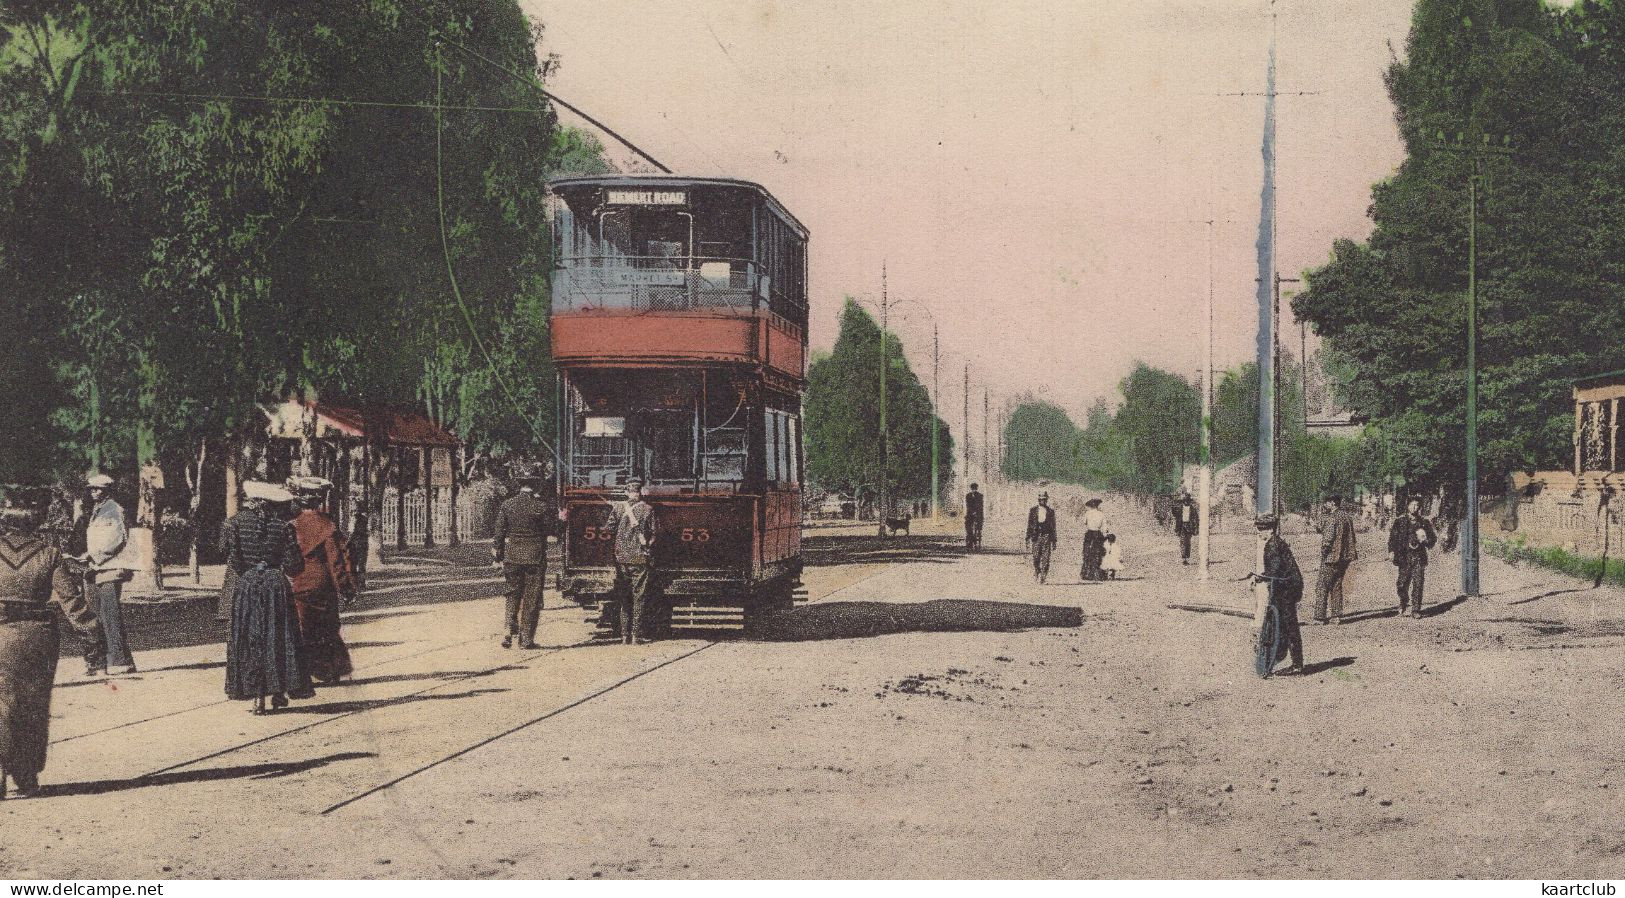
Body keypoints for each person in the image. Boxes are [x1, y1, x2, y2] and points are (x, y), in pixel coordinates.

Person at [0, 485, 105, 799]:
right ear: (37, 520)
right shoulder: (49, 554)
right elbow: (72, 602)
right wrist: (92, 637)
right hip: (37, 639)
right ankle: (27, 776)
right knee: (33, 706)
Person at [222, 481, 312, 714]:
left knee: (250, 637)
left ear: (251, 501)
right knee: (279, 637)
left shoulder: (234, 524)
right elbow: (294, 566)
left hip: (247, 586)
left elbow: (232, 560)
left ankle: (256, 695)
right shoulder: (284, 527)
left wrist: (251, 572)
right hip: (275, 586)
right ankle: (278, 691)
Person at [287, 477, 356, 684]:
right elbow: (337, 561)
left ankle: (301, 673)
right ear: (319, 500)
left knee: (302, 627)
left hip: (297, 581)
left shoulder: (291, 525)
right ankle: (330, 670)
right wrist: (345, 588)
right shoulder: (327, 526)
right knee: (327, 626)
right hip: (322, 583)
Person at [79, 474, 136, 676]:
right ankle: (99, 662)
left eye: (99, 489)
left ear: (108, 490)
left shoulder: (114, 510)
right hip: (95, 568)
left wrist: (92, 556)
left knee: (110, 615)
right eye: (92, 488)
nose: (94, 491)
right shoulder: (96, 510)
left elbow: (116, 540)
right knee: (94, 616)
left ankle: (121, 660)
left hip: (110, 568)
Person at [493, 466, 555, 649]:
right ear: (535, 485)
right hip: (534, 557)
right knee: (531, 598)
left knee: (512, 593)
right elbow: (550, 529)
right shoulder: (541, 506)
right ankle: (526, 639)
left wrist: (497, 552)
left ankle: (509, 627)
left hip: (512, 556)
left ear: (519, 484)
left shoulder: (508, 505)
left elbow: (499, 532)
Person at [604, 477, 658, 644]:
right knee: (638, 597)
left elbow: (609, 529)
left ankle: (624, 635)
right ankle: (636, 635)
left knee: (624, 597)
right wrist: (647, 545)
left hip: (621, 558)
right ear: (641, 491)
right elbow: (654, 534)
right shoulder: (648, 510)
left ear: (627, 492)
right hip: (639, 558)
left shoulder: (620, 508)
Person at [1253, 513, 1304, 677]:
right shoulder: (1275, 542)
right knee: (1284, 624)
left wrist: (1261, 577)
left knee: (1289, 625)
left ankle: (1297, 665)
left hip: (1287, 587)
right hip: (1286, 584)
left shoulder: (1273, 545)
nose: (1259, 533)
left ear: (1269, 529)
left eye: (1261, 530)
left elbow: (1274, 569)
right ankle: (1283, 657)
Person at [1388, 497, 1437, 619]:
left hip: (1419, 557)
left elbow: (1432, 539)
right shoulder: (1400, 521)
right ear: (1408, 506)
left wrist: (1425, 540)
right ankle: (1403, 601)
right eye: (1412, 505)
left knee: (1418, 583)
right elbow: (1392, 539)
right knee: (1401, 583)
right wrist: (1391, 551)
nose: (1415, 507)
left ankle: (1416, 609)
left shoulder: (1424, 523)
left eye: (1417, 505)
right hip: (1404, 557)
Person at [1313, 495, 1358, 624]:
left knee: (1322, 586)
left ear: (1332, 503)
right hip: (1345, 557)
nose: (1325, 505)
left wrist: (1323, 554)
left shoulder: (1332, 518)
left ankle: (1319, 617)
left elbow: (1328, 540)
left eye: (1327, 503)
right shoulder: (1347, 517)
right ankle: (1336, 616)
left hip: (1331, 558)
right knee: (1336, 585)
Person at [1024, 491, 1058, 583]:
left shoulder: (1050, 511)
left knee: (1046, 558)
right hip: (1036, 536)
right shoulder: (1033, 510)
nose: (1042, 501)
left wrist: (1054, 540)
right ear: (1038, 500)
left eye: (1044, 499)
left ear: (1046, 500)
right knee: (1035, 557)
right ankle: (1037, 570)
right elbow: (1029, 524)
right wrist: (1027, 538)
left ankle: (1043, 576)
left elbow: (1053, 526)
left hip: (1046, 536)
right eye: (1041, 499)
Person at [1079, 498, 1107, 581]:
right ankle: (1096, 574)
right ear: (1097, 505)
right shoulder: (1101, 514)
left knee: (1087, 553)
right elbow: (1104, 526)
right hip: (1098, 534)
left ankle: (1087, 574)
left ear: (1091, 505)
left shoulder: (1087, 513)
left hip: (1090, 533)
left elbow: (1084, 522)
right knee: (1097, 553)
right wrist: (1105, 534)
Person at [1172, 489, 1199, 565]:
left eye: (1188, 500)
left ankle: (1187, 558)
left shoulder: (1193, 509)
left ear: (1189, 501)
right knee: (1182, 542)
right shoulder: (1180, 508)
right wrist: (1177, 529)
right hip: (1182, 526)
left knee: (1188, 542)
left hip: (1189, 527)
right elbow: (1176, 517)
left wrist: (1196, 528)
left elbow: (1196, 519)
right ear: (1183, 501)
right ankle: (1183, 558)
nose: (1186, 502)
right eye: (1185, 500)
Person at [963, 483, 984, 552]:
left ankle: (976, 541)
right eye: (973, 488)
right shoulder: (968, 496)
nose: (974, 490)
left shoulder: (980, 496)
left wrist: (978, 514)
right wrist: (972, 512)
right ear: (971, 488)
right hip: (970, 514)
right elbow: (968, 505)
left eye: (975, 488)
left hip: (978, 514)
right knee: (968, 528)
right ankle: (970, 542)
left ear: (976, 488)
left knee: (978, 528)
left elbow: (980, 506)